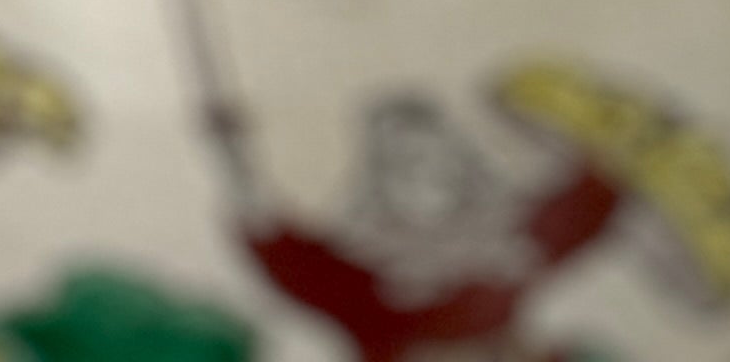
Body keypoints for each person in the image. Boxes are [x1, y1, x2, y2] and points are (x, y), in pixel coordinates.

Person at [210, 87, 622, 362]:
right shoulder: (365, 285)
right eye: (409, 164)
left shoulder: (504, 246)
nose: (431, 174)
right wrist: (236, 162)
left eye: (440, 159)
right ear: (382, 181)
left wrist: (571, 127)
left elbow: (589, 200)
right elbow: (282, 250)